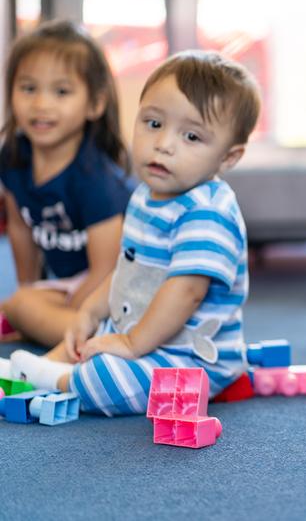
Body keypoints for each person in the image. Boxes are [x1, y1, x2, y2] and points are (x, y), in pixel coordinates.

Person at [2, 51, 261, 416]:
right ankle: (39, 368)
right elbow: (127, 270)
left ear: (228, 157)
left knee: (108, 376)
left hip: (190, 359)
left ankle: (53, 378)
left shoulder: (207, 212)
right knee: (85, 339)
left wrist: (132, 343)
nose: (164, 144)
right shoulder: (144, 195)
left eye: (191, 136)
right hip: (139, 332)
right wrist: (89, 313)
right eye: (153, 123)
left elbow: (186, 292)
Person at [0, 20, 132, 346]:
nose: (41, 104)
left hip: (121, 288)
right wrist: (31, 293)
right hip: (73, 285)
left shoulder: (97, 179)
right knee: (18, 304)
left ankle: (110, 342)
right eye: (28, 88)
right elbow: (19, 227)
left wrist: (62, 316)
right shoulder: (13, 156)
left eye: (61, 92)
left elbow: (107, 271)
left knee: (22, 308)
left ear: (95, 104)